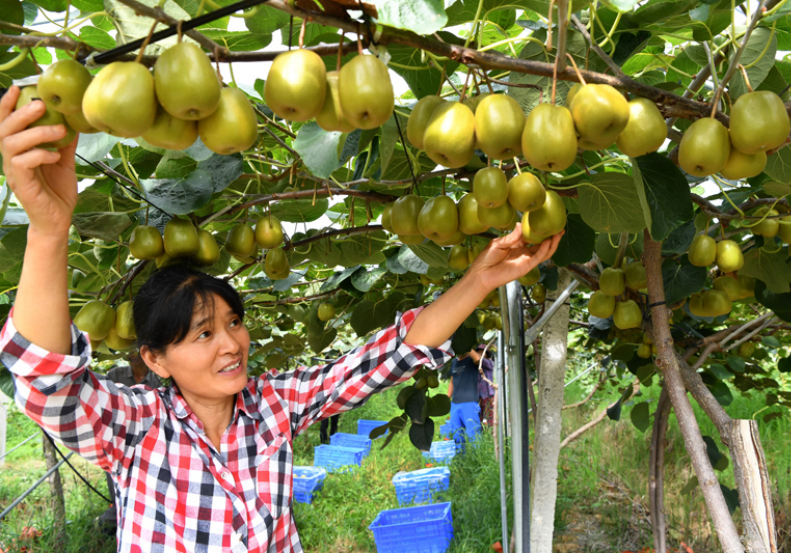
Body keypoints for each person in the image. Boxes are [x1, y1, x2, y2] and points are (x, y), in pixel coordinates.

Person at [0, 87, 562, 552]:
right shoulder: (136, 426)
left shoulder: (272, 406)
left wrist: (480, 279)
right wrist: (49, 230)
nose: (230, 345)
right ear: (153, 359)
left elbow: (393, 353)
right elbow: (48, 381)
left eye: (233, 323)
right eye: (202, 333)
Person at [97, 356, 162, 535]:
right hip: (121, 440)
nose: (132, 356)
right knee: (117, 479)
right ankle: (119, 510)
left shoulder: (159, 376)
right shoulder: (115, 374)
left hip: (152, 442)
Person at [447, 346, 489, 441]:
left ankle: (477, 456)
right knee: (456, 436)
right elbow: (452, 382)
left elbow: (478, 359)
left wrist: (464, 344)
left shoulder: (471, 360)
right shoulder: (454, 362)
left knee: (474, 435)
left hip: (469, 403)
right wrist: (447, 398)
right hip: (455, 403)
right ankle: (461, 455)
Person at [476, 345, 495, 427]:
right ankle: (481, 433)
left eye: (482, 352)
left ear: (487, 354)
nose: (481, 354)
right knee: (479, 415)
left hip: (488, 394)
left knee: (489, 415)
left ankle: (491, 434)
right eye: (479, 352)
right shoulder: (477, 365)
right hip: (479, 395)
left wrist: (478, 356)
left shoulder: (489, 362)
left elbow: (483, 361)